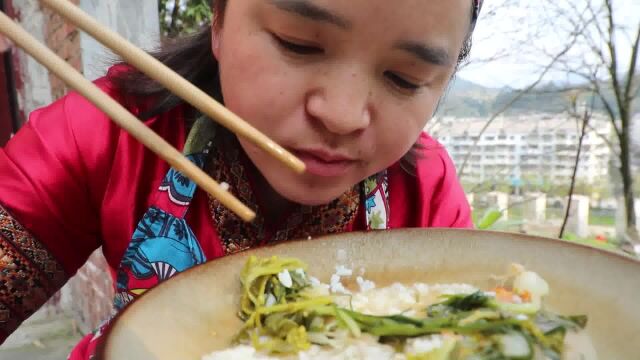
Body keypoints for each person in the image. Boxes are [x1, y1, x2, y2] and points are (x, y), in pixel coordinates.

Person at [0, 0, 482, 358]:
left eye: (404, 77)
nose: (341, 115)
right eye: (299, 44)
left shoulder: (426, 188)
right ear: (219, 18)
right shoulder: (113, 129)